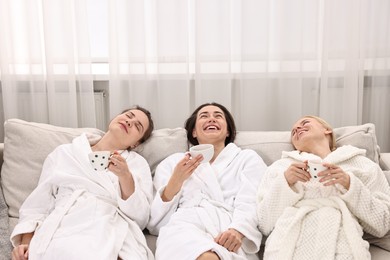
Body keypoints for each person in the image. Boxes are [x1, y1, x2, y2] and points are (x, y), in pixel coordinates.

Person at [11, 106, 155, 260]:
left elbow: (141, 217)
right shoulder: (65, 152)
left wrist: (125, 176)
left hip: (108, 224)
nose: (130, 121)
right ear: (114, 118)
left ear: (135, 144)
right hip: (66, 221)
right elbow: (38, 204)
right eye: (128, 115)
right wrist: (26, 244)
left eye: (137, 126)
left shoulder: (137, 164)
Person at [256, 115, 390, 259]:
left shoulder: (361, 163)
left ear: (326, 130)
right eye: (293, 131)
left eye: (305, 123)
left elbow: (382, 223)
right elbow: (264, 223)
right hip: (286, 245)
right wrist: (285, 184)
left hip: (342, 246)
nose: (297, 129)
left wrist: (350, 185)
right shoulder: (281, 167)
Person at [147, 102, 267, 260]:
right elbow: (155, 221)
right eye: (204, 116)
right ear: (194, 132)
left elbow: (253, 201)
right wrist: (176, 180)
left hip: (228, 228)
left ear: (228, 131)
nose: (211, 119)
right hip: (184, 227)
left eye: (218, 116)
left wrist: (238, 231)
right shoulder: (174, 162)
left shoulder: (247, 158)